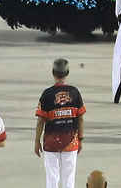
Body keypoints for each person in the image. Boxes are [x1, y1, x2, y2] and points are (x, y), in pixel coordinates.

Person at [34, 59, 85, 188]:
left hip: (51, 142)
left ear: (53, 72)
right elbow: (81, 119)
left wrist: (36, 141)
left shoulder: (47, 94)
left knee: (52, 177)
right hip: (71, 141)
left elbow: (41, 120)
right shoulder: (75, 93)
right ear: (67, 73)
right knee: (69, 177)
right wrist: (80, 138)